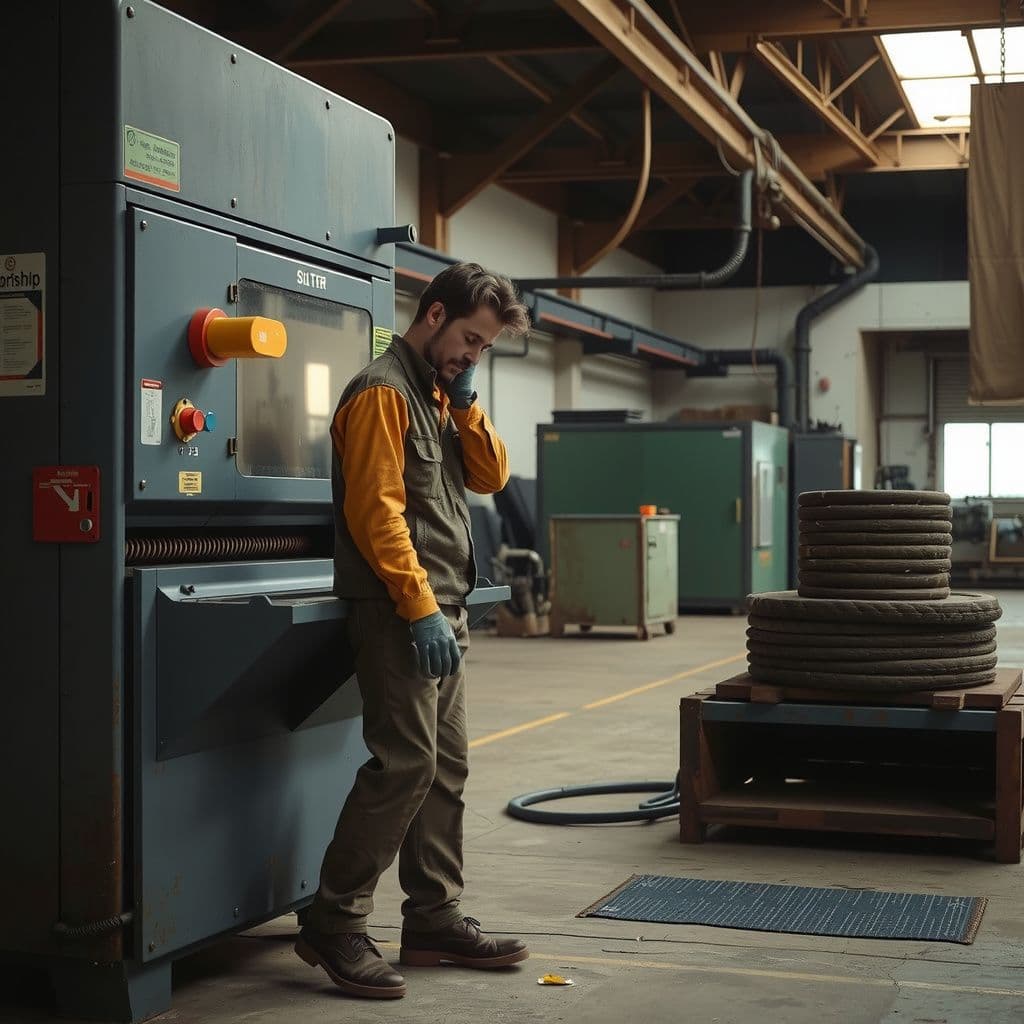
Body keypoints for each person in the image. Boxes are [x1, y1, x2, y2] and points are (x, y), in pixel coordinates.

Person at [295, 262, 532, 999]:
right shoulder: (381, 394)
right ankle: (333, 923)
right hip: (401, 614)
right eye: (469, 339)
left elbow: (490, 475)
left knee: (445, 768)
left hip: (444, 614)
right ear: (431, 315)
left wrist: (465, 400)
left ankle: (433, 916)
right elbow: (377, 513)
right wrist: (420, 605)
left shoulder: (434, 394)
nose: (472, 355)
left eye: (484, 348)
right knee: (403, 766)